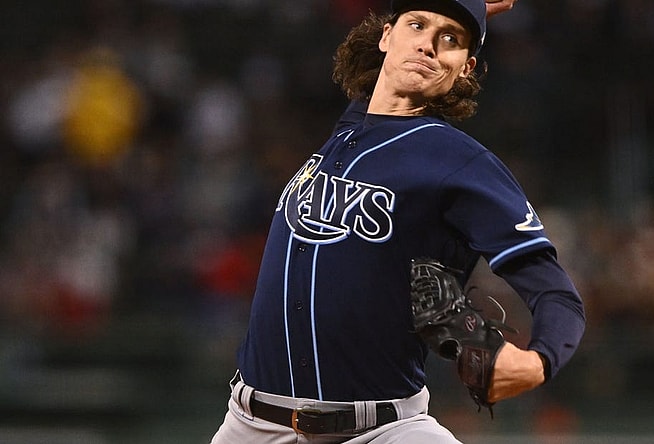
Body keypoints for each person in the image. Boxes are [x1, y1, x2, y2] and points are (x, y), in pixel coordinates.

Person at [210, 0, 585, 442]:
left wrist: (540, 361)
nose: (428, 45)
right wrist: (468, 8)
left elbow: (558, 294)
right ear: (386, 37)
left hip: (384, 430)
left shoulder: (459, 161)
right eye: (417, 25)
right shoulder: (349, 130)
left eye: (450, 40)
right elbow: (378, 93)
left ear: (466, 68)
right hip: (251, 425)